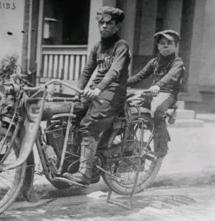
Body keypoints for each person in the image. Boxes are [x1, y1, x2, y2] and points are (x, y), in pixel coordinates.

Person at [64, 6, 131, 184]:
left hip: (113, 92)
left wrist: (98, 88)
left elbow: (115, 72)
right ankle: (70, 162)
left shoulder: (121, 46)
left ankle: (85, 173)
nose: (104, 26)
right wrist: (78, 91)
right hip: (97, 90)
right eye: (101, 23)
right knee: (71, 113)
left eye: (109, 23)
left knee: (89, 124)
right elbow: (87, 71)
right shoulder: (97, 46)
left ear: (116, 26)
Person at [127, 29, 185, 158]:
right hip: (153, 92)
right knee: (129, 109)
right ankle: (129, 144)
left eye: (169, 43)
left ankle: (161, 148)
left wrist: (158, 85)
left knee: (158, 111)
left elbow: (170, 76)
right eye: (162, 43)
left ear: (176, 46)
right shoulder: (154, 62)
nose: (165, 45)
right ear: (158, 46)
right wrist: (122, 84)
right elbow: (140, 76)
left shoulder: (177, 62)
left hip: (168, 94)